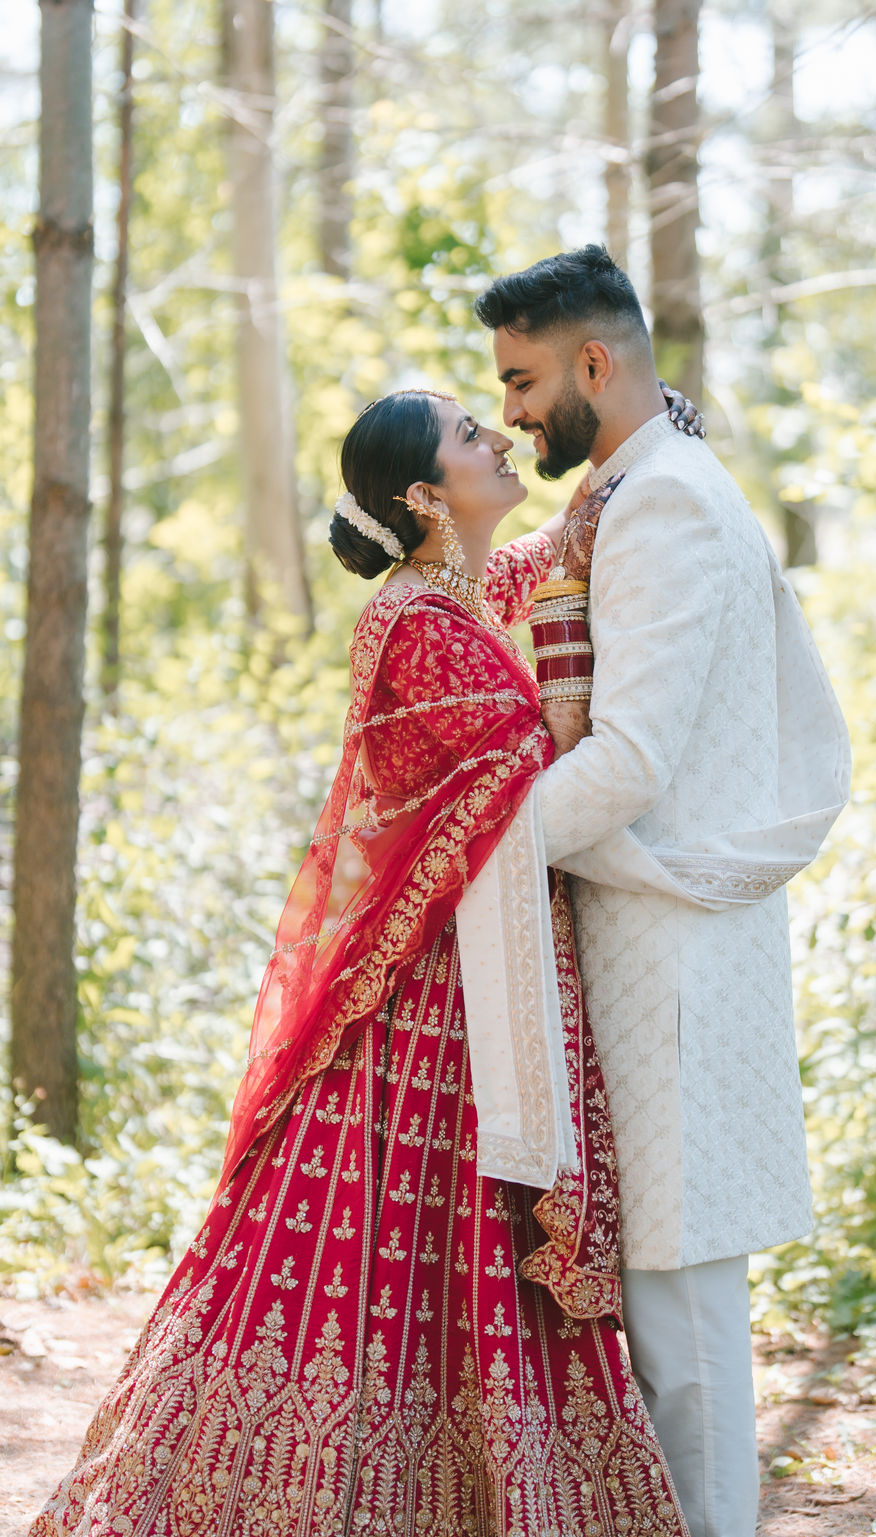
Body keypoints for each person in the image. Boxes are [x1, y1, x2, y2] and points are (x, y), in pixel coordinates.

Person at [31, 388, 697, 1537]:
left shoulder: (454, 602)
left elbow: (535, 560)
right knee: (395, 1258)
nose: (498, 436)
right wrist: (578, 697)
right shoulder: (414, 625)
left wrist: (628, 454)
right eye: (470, 435)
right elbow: (527, 772)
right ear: (426, 497)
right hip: (426, 1008)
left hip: (474, 984)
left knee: (450, 1260)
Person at [474, 246, 851, 1537]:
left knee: (680, 1331)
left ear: (593, 362)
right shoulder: (632, 489)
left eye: (523, 381)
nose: (514, 413)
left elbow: (629, 761)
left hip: (673, 963)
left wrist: (465, 853)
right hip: (650, 950)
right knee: (659, 1324)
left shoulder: (664, 504)